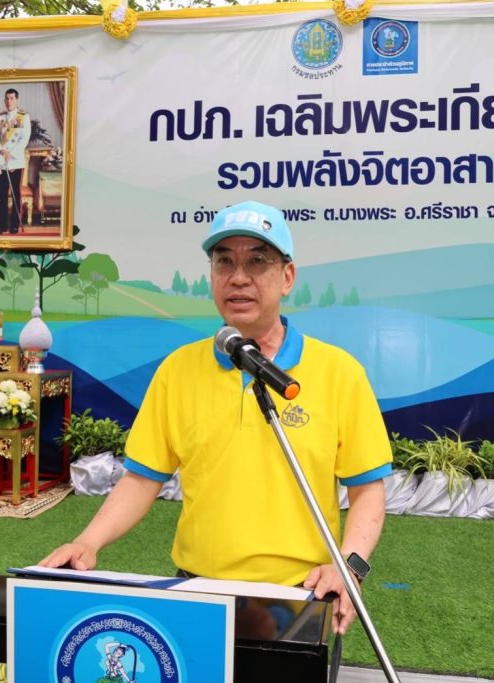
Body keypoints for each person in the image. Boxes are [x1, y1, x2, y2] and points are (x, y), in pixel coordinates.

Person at [42, 200, 392, 635]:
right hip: (197, 593)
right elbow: (142, 479)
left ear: (287, 277)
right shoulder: (177, 371)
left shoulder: (339, 373)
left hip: (300, 596)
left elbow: (367, 488)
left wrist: (350, 567)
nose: (238, 277)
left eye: (257, 261)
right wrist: (86, 542)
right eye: (224, 261)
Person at [0, 88, 30, 235]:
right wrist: (1, 150)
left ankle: (14, 225)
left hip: (15, 162)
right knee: (1, 194)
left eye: (12, 98)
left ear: (17, 100)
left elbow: (24, 140)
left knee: (15, 194)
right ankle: (2, 225)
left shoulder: (23, 118)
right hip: (2, 161)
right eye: (7, 98)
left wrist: (10, 153)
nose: (9, 101)